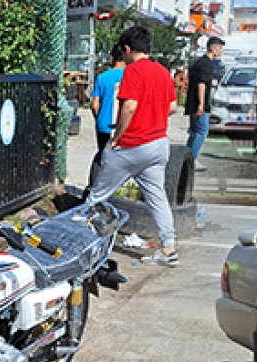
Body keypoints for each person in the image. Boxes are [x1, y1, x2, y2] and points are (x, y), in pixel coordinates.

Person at [85, 26, 181, 267]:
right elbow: (172, 107)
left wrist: (116, 137)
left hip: (132, 144)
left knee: (97, 195)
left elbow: (129, 107)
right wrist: (152, 114)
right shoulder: (163, 72)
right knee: (157, 198)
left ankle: (80, 242)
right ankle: (168, 249)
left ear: (127, 49)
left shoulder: (133, 71)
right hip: (159, 144)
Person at [84, 44, 125, 198]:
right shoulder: (131, 76)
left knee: (102, 156)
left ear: (111, 57)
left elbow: (94, 104)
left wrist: (99, 118)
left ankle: (92, 188)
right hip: (121, 125)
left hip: (104, 125)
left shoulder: (102, 77)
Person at [185, 36, 225, 160]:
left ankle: (186, 159)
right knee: (201, 131)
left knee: (194, 132)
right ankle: (192, 160)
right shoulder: (207, 64)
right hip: (199, 103)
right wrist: (201, 104)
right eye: (220, 48)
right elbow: (201, 84)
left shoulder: (198, 62)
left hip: (192, 102)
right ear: (213, 48)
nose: (221, 51)